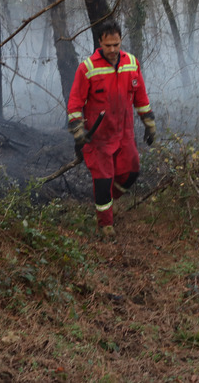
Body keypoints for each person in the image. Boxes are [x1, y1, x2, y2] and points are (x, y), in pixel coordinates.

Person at [66, 20, 156, 239]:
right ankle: (105, 225)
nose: (113, 49)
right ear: (100, 43)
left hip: (124, 133)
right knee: (103, 180)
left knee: (132, 172)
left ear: (121, 40)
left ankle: (109, 202)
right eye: (108, 45)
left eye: (116, 44)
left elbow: (141, 97)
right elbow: (75, 103)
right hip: (99, 138)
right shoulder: (87, 68)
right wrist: (78, 131)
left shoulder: (131, 63)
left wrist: (149, 123)